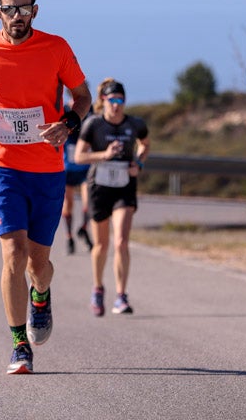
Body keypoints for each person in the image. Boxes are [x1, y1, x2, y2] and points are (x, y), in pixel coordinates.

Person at [0, 0, 93, 375]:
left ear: (35, 10)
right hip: (1, 166)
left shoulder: (56, 47)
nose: (18, 16)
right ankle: (18, 346)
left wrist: (67, 124)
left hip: (47, 169)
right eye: (10, 9)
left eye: (25, 8)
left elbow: (83, 97)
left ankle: (41, 295)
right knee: (12, 251)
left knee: (37, 263)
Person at [74, 78, 150, 317]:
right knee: (101, 245)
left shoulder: (136, 124)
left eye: (120, 100)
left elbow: (145, 144)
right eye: (111, 100)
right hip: (100, 186)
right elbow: (79, 157)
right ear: (103, 101)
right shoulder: (93, 125)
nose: (116, 105)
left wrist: (138, 162)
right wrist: (104, 155)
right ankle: (98, 289)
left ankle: (121, 295)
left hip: (124, 187)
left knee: (121, 242)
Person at [61, 98, 93, 255]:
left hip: (86, 167)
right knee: (68, 205)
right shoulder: (64, 110)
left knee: (89, 203)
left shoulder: (91, 111)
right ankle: (69, 237)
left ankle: (84, 229)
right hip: (68, 168)